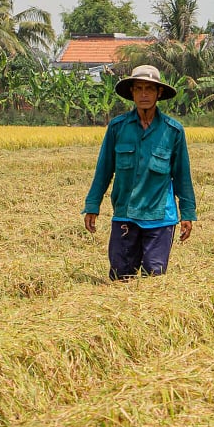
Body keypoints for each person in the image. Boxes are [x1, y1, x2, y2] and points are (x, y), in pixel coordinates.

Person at [83, 65, 197, 280]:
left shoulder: (173, 131)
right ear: (132, 93)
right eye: (139, 89)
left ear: (159, 93)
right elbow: (104, 169)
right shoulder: (118, 128)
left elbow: (182, 175)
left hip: (160, 216)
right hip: (125, 212)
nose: (144, 94)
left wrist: (188, 213)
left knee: (154, 276)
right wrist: (92, 205)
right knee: (120, 275)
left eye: (150, 89)